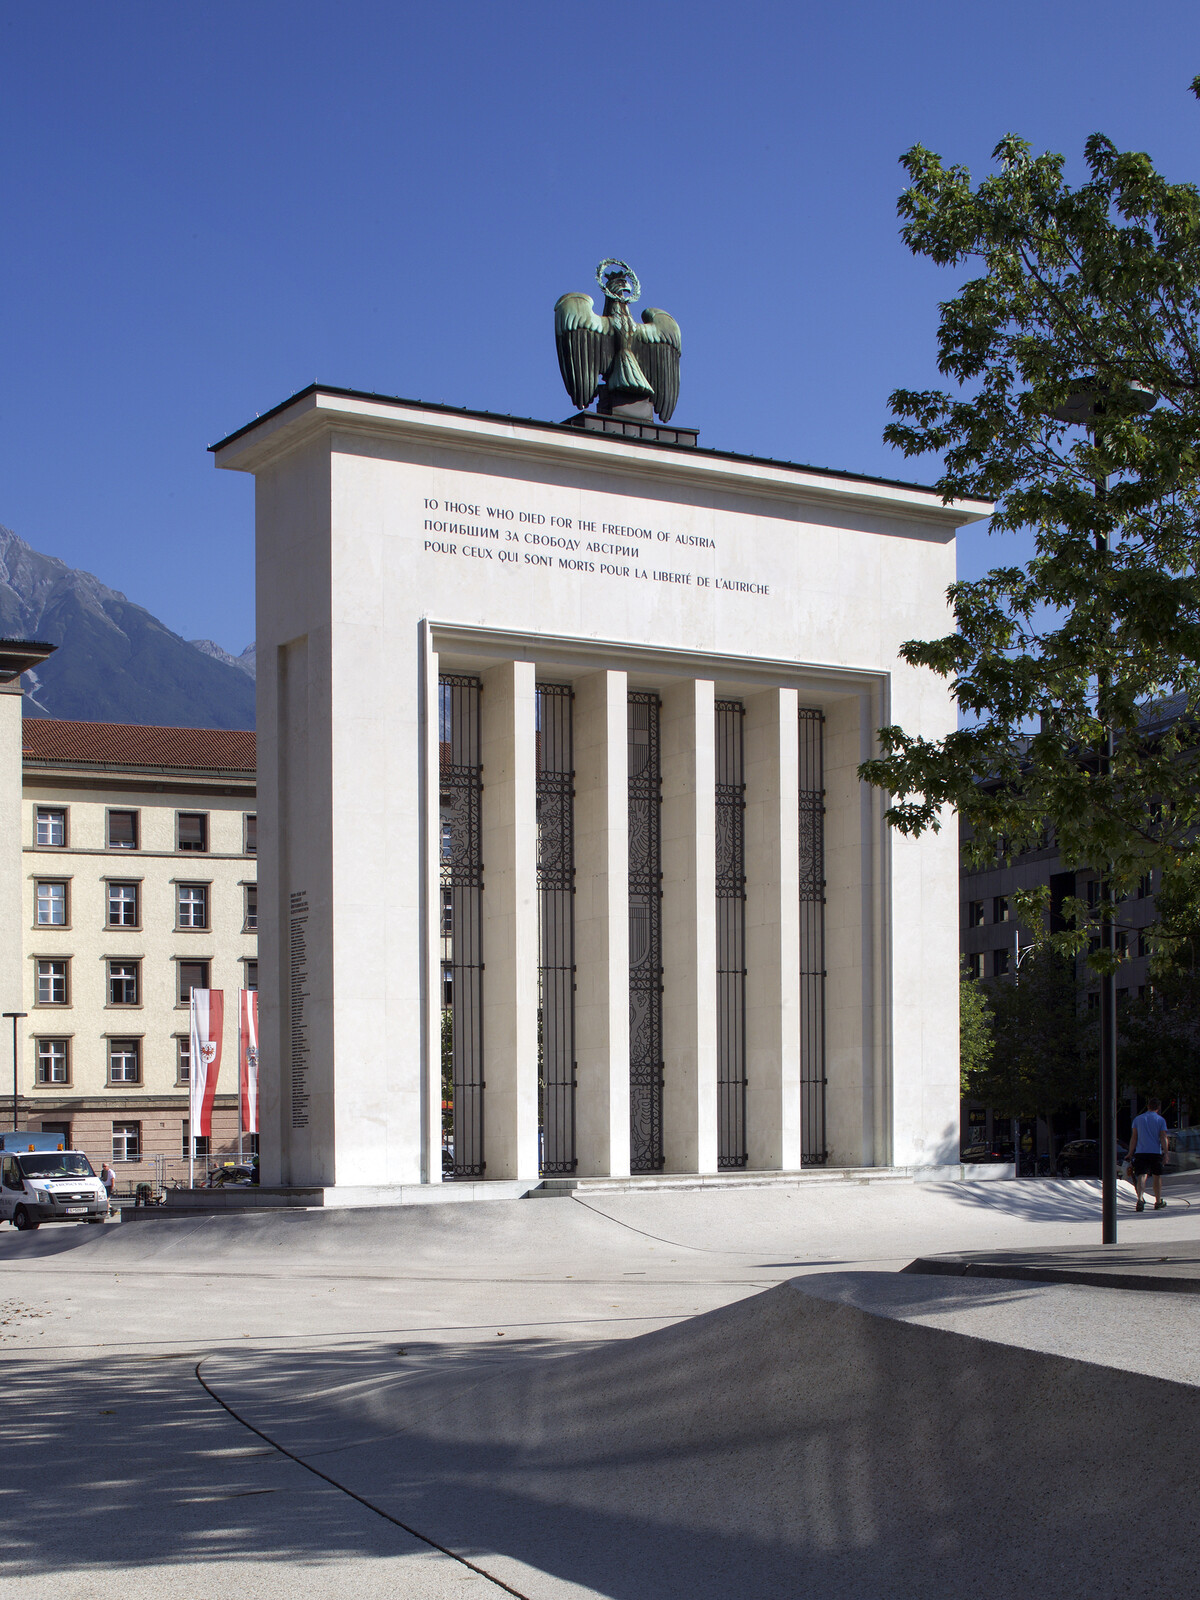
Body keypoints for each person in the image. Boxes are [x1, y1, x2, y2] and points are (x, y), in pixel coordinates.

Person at [1128, 1097, 1170, 1212]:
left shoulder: (1138, 1119)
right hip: (1155, 1152)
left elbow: (1134, 1137)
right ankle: (1158, 1201)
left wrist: (1130, 1152)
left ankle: (1140, 1199)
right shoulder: (1160, 1120)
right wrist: (1166, 1153)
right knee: (1157, 1176)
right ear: (1159, 1107)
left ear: (1148, 1106)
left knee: (1142, 1175)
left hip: (1141, 1152)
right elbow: (1163, 1137)